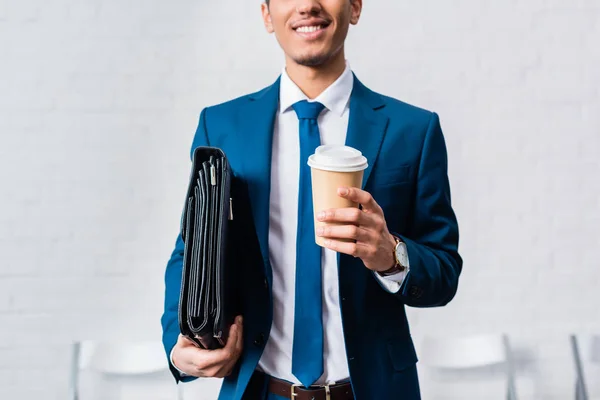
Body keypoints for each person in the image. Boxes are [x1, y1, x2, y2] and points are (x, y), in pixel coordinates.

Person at [160, 1, 462, 399]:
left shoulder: (413, 130)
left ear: (354, 7)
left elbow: (443, 272)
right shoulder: (221, 126)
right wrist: (177, 348)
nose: (307, 5)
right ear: (267, 16)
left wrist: (392, 255)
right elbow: (191, 251)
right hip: (259, 390)